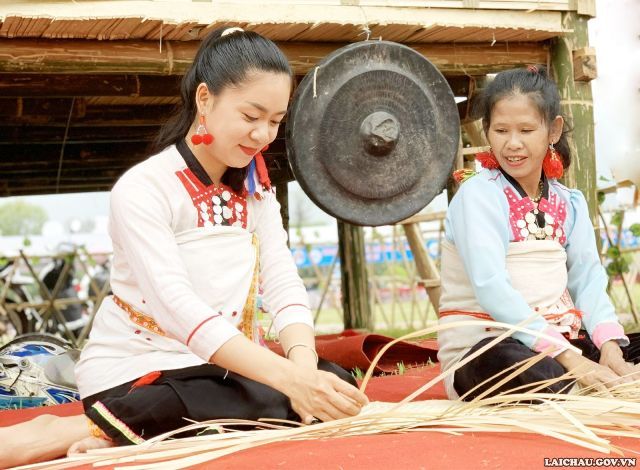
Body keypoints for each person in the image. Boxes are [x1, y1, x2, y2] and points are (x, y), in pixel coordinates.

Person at [0, 27, 368, 468]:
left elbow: (283, 281)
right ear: (206, 100)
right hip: (140, 372)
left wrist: (304, 371)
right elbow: (179, 308)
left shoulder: (258, 193)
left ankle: (122, 434)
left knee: (334, 382)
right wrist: (290, 383)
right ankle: (72, 428)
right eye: (251, 116)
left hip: (222, 372)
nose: (263, 136)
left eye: (275, 121)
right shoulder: (144, 188)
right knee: (247, 396)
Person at [437, 66, 640, 401]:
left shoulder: (569, 202)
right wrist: (573, 359)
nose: (512, 143)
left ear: (553, 130)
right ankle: (588, 385)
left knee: (620, 348)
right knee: (516, 365)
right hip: (488, 350)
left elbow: (587, 280)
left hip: (562, 345)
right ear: (487, 130)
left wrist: (609, 350)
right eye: (501, 130)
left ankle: (595, 379)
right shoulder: (478, 196)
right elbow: (492, 287)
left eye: (526, 130)